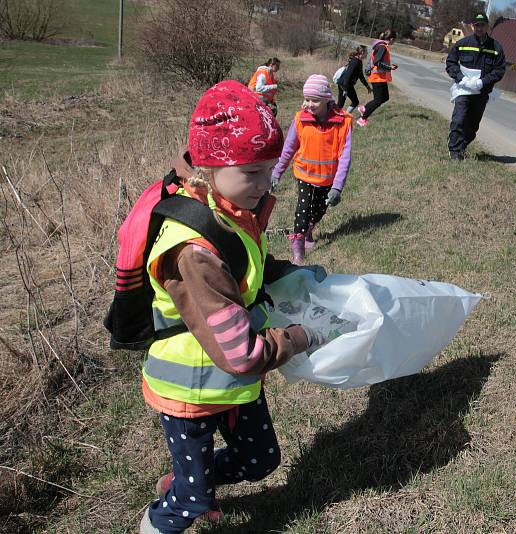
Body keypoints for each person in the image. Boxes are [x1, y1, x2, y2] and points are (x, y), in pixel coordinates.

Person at [138, 80, 328, 534]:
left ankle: (185, 482)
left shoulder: (229, 210)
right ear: (209, 166)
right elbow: (242, 355)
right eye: (252, 172)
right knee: (193, 503)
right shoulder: (194, 251)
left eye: (269, 168)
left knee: (261, 460)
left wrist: (289, 273)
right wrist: (305, 336)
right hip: (190, 393)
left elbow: (243, 265)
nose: (266, 184)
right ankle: (164, 513)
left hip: (228, 384)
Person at [271, 75, 353, 265]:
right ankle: (298, 246)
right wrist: (277, 172)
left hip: (328, 179)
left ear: (327, 99)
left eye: (314, 100)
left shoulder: (343, 122)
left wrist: (337, 187)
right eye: (306, 99)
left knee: (319, 210)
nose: (309, 104)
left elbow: (345, 157)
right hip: (305, 175)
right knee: (303, 208)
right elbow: (289, 148)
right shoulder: (300, 119)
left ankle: (309, 229)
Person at [445, 11, 506, 161]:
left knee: (472, 126)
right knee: (459, 120)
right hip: (463, 90)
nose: (479, 28)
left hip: (481, 92)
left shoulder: (496, 47)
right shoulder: (463, 44)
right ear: (473, 26)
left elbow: (499, 70)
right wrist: (460, 78)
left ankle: (462, 147)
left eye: (482, 25)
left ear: (487, 26)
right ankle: (454, 151)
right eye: (477, 25)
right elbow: (450, 63)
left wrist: (483, 82)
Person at [357, 29, 398, 127]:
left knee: (385, 97)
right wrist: (389, 67)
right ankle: (362, 119)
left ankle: (364, 108)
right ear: (391, 39)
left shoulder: (381, 46)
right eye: (395, 40)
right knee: (378, 100)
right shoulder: (382, 47)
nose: (395, 42)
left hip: (380, 77)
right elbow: (377, 62)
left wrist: (389, 67)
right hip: (377, 77)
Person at [336, 45, 372, 113]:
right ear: (362, 52)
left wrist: (367, 86)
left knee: (340, 104)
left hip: (343, 83)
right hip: (345, 84)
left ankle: (336, 117)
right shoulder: (355, 62)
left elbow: (361, 76)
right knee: (355, 102)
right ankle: (345, 117)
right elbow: (347, 76)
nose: (367, 54)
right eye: (366, 52)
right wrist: (345, 89)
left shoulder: (359, 61)